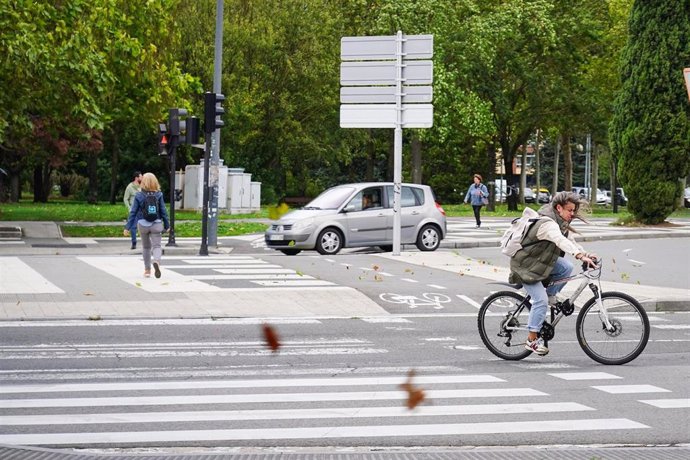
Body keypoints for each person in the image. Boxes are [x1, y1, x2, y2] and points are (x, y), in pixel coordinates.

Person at [508, 191, 598, 356]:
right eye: (570, 210)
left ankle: (550, 295)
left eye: (574, 211)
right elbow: (560, 241)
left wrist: (584, 254)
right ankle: (531, 340)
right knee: (540, 301)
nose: (573, 214)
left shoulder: (561, 222)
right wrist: (579, 255)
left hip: (540, 262)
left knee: (566, 267)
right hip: (526, 266)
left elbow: (570, 241)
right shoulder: (547, 224)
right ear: (559, 208)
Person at [124, 173, 169, 278]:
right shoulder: (159, 194)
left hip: (143, 224)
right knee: (157, 246)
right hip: (156, 224)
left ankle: (147, 270)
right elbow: (163, 211)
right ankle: (156, 262)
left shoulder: (139, 195)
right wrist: (167, 225)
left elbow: (133, 212)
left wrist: (128, 227)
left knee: (146, 247)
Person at [123, 171, 142, 249]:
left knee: (145, 225)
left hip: (142, 210)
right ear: (136, 178)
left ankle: (146, 243)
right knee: (133, 227)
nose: (142, 178)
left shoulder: (143, 186)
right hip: (134, 210)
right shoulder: (130, 187)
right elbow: (125, 199)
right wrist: (129, 208)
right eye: (141, 177)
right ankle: (134, 242)